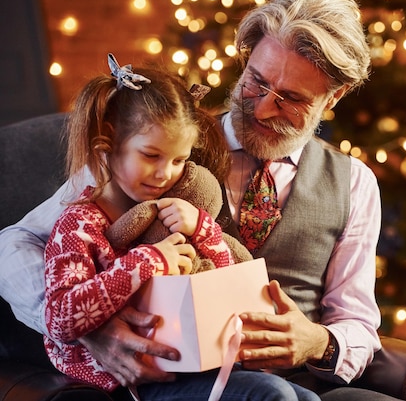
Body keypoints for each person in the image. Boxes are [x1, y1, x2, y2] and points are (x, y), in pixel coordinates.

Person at [0, 0, 395, 401]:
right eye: (256, 82)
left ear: (334, 96)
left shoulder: (354, 183)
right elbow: (15, 243)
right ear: (246, 60)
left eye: (291, 99)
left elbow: (357, 323)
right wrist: (94, 328)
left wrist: (318, 342)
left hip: (296, 381)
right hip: (179, 377)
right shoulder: (156, 147)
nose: (262, 109)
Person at [40, 53, 321, 401]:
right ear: (106, 148)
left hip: (201, 364)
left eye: (178, 160)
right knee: (272, 395)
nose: (165, 174)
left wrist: (203, 230)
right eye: (150, 156)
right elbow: (59, 319)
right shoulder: (78, 225)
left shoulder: (173, 210)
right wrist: (148, 261)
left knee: (307, 399)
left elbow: (227, 277)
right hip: (135, 381)